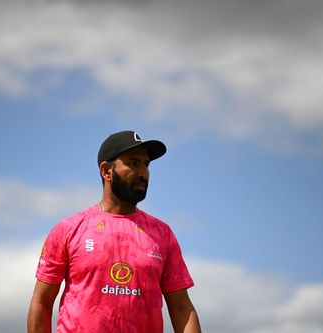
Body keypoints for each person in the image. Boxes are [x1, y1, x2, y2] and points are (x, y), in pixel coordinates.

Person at [27, 130, 201, 333]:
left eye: (146, 164)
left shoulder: (163, 234)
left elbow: (181, 308)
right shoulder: (68, 229)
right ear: (106, 171)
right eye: (134, 163)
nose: (143, 172)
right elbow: (41, 302)